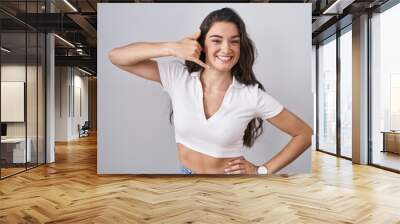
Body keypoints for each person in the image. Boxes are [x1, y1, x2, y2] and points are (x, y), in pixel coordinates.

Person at [108, 8, 312, 175]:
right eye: (216, 40)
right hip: (185, 178)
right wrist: (172, 48)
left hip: (230, 188)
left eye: (234, 41)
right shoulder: (178, 77)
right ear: (202, 45)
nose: (226, 49)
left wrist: (261, 171)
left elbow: (304, 134)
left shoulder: (251, 96)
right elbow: (116, 56)